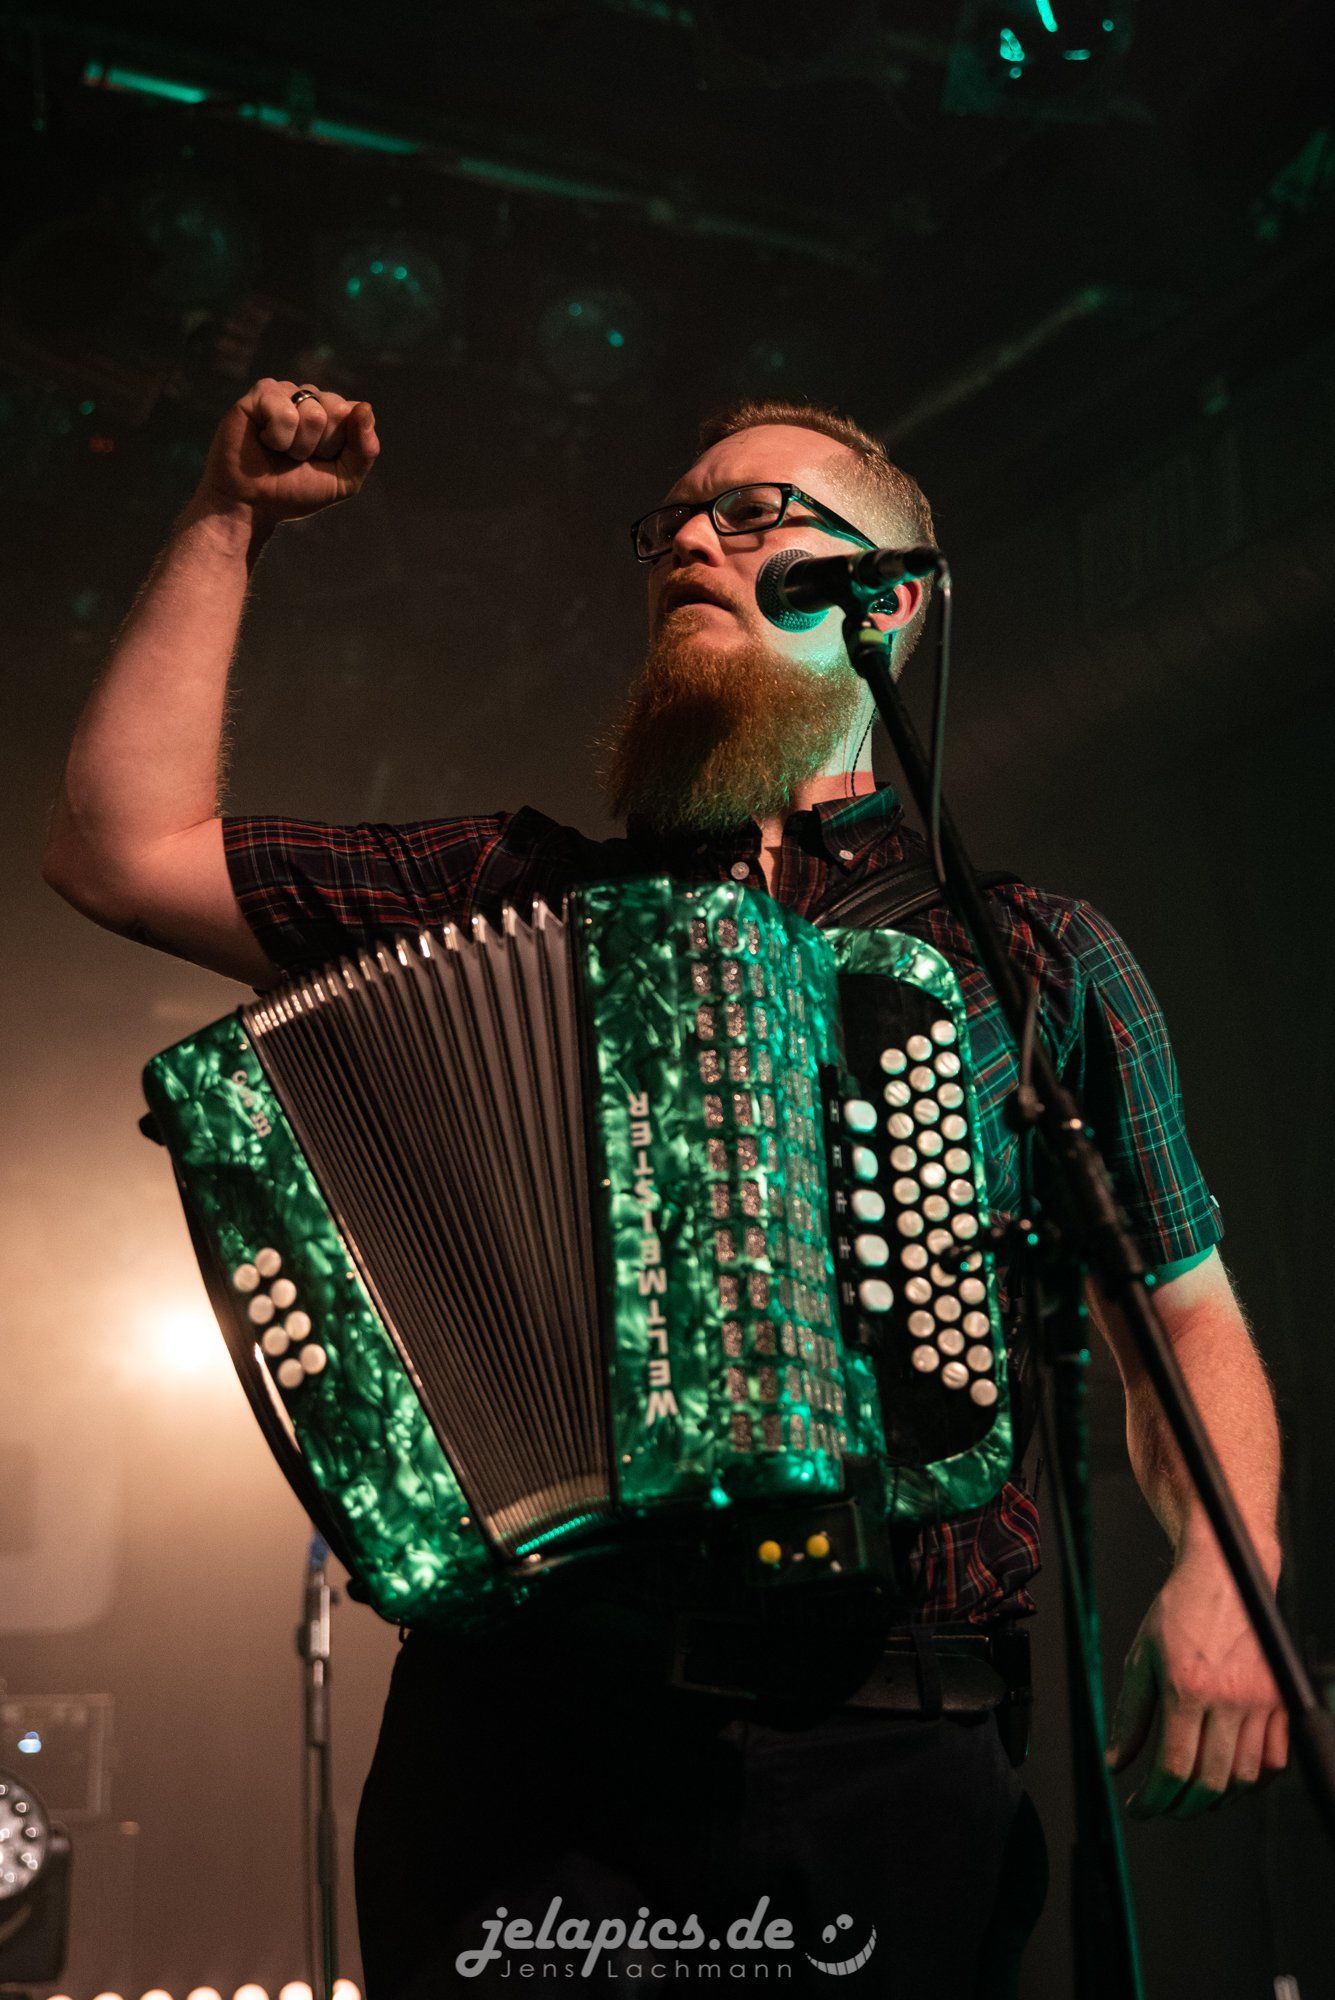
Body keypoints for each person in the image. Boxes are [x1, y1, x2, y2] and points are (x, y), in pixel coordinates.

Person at [43, 380, 1286, 1995]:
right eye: (676, 522)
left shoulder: (1033, 953)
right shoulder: (512, 891)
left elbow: (1183, 1317)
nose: (692, 538)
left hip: (891, 1742)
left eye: (755, 514)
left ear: (889, 602)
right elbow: (121, 850)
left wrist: (1234, 1571)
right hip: (529, 1748)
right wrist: (229, 519)